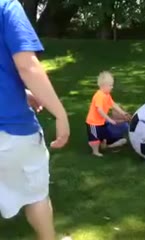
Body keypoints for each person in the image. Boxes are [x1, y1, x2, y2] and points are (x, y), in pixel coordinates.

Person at [0, 1, 70, 240]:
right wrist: (60, 113)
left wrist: (21, 93)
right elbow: (27, 66)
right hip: (11, 132)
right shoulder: (6, 7)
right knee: (36, 195)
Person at [86, 71, 131, 157]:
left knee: (102, 134)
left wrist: (123, 113)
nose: (112, 87)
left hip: (101, 121)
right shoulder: (99, 95)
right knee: (94, 138)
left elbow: (113, 104)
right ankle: (95, 151)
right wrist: (109, 119)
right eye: (110, 85)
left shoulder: (107, 95)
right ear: (104, 86)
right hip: (93, 122)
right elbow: (99, 110)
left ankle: (103, 144)